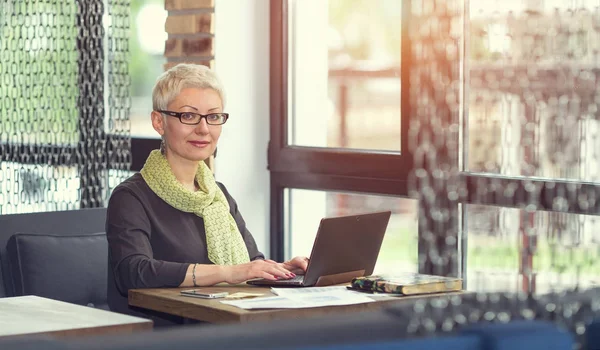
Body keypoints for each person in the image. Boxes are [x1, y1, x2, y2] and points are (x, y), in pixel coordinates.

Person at [106, 63, 308, 325]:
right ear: (159, 122)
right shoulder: (130, 197)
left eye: (213, 117)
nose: (204, 129)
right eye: (189, 116)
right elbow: (134, 272)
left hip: (225, 327)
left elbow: (248, 263)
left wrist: (281, 269)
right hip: (167, 337)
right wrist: (229, 272)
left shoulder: (217, 193)